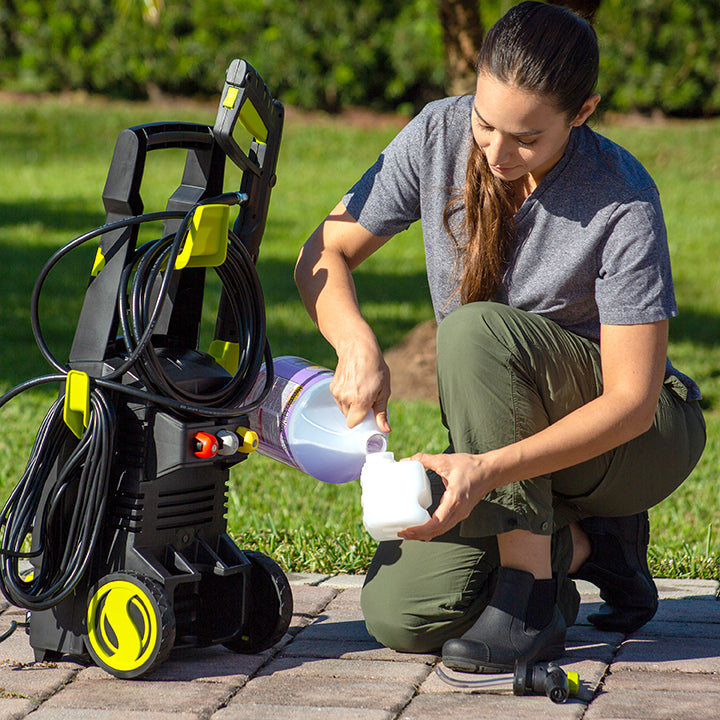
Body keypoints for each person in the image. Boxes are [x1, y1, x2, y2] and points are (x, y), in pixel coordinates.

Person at [294, 1, 706, 674]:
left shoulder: (621, 197)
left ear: (583, 111)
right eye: (486, 123)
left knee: (473, 331)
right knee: (400, 615)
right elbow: (324, 252)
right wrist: (355, 345)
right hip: (519, 444)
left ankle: (530, 596)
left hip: (634, 440)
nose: (495, 150)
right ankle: (586, 545)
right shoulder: (437, 135)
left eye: (526, 137)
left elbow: (632, 399)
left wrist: (484, 470)